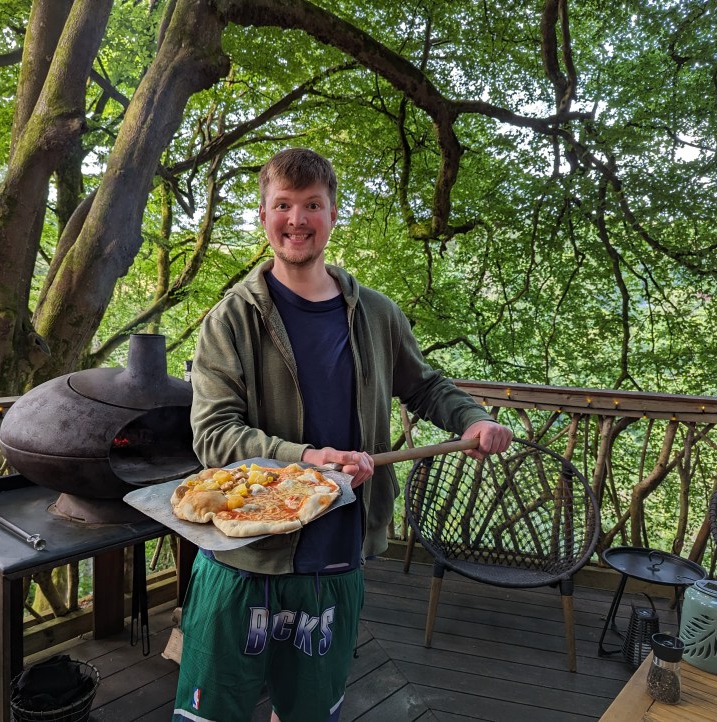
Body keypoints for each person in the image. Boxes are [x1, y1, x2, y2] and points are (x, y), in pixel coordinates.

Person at [172, 148, 512, 722]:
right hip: (243, 558)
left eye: (312, 205)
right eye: (283, 205)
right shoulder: (230, 320)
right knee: (212, 713)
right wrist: (304, 458)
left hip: (336, 552)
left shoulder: (376, 314)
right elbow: (213, 434)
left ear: (333, 215)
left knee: (307, 712)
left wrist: (471, 419)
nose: (297, 220)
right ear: (264, 216)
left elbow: (426, 385)